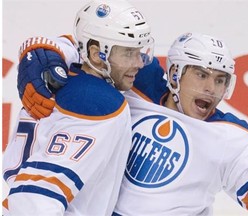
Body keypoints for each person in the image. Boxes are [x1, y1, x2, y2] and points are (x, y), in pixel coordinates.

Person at [5, 27, 248, 215]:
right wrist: (44, 55)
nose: (211, 89)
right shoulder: (139, 81)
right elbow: (87, 45)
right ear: (175, 73)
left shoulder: (231, 134)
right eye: (201, 75)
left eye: (220, 80)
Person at [2, 0, 154, 215]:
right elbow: (35, 198)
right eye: (128, 53)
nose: (139, 63)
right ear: (96, 54)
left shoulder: (54, 79)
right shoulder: (97, 103)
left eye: (138, 51)